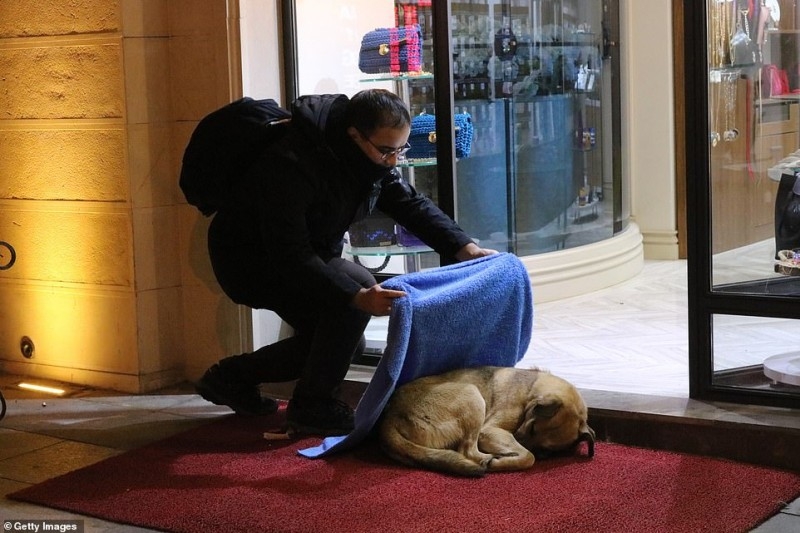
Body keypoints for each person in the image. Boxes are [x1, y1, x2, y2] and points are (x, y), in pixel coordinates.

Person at [196, 88, 495, 436]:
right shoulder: (291, 163)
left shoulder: (365, 159)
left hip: (306, 252)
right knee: (350, 302)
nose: (394, 160)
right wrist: (354, 297)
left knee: (344, 342)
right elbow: (290, 253)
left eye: (401, 149)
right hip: (252, 261)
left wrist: (465, 247)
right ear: (354, 134)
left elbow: (409, 204)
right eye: (386, 150)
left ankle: (231, 378)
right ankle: (311, 406)